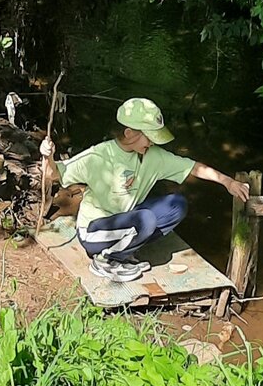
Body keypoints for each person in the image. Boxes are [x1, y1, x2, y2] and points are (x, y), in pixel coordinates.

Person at [40, 96, 250, 282]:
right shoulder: (99, 156)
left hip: (125, 220)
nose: (152, 143)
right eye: (149, 136)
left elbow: (193, 166)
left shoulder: (153, 156)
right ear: (129, 133)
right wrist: (47, 156)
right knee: (146, 219)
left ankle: (124, 249)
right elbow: (53, 174)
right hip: (94, 232)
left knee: (176, 204)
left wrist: (228, 182)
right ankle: (106, 261)